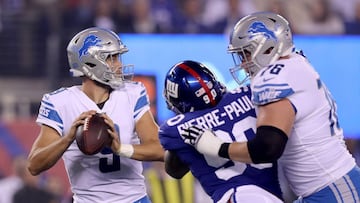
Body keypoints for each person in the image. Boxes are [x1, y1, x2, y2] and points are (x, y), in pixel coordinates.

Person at [180, 12, 360, 203]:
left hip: (333, 190)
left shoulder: (272, 77)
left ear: (268, 47)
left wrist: (217, 147)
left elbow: (267, 147)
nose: (242, 63)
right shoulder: (294, 63)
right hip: (329, 188)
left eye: (246, 53)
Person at [27, 27, 164, 203]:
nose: (119, 65)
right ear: (90, 63)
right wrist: (67, 139)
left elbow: (161, 149)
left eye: (117, 57)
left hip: (133, 199)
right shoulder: (60, 103)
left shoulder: (131, 93)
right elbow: (34, 165)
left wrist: (121, 149)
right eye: (111, 58)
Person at [159, 60, 283, 203]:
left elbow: (174, 170)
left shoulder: (179, 128)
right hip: (275, 189)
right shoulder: (250, 94)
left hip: (239, 196)